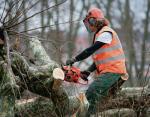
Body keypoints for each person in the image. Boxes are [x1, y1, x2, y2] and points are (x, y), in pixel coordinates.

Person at [66, 7, 128, 116]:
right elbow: (99, 60)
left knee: (92, 91)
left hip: (114, 71)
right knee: (95, 95)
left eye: (90, 22)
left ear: (95, 21)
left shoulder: (106, 33)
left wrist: (75, 59)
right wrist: (88, 71)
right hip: (109, 71)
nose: (88, 25)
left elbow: (90, 50)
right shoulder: (99, 35)